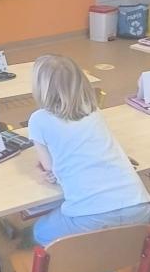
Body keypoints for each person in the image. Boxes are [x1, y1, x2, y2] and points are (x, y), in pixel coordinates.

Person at [28, 54, 150, 246]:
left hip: (92, 215)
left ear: (39, 88)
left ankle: (94, 255)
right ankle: (114, 253)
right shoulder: (93, 111)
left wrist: (45, 169)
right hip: (139, 205)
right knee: (122, 233)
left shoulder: (38, 119)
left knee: (39, 232)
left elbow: (48, 167)